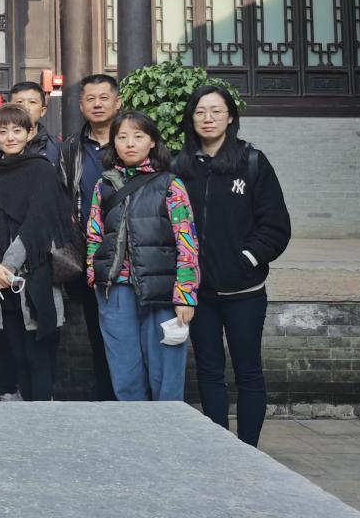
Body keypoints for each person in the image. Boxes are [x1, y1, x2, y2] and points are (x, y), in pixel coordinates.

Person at [175, 85, 290, 446]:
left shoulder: (252, 162)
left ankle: (248, 448)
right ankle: (220, 448)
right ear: (191, 119)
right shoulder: (180, 167)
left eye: (216, 111)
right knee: (209, 372)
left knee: (248, 372)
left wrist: (246, 260)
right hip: (201, 295)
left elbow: (275, 227)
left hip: (245, 292)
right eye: (200, 112)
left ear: (230, 117)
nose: (208, 118)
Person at [85, 111, 200, 401]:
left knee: (165, 376)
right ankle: (134, 428)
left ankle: (167, 428)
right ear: (114, 143)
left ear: (152, 142)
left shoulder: (170, 184)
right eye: (122, 137)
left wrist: (185, 294)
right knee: (125, 375)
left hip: (161, 293)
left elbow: (186, 241)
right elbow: (95, 234)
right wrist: (93, 274)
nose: (130, 143)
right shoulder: (104, 185)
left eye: (138, 136)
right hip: (115, 292)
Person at [0, 104, 71, 402]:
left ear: (30, 133)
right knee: (15, 353)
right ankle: (23, 413)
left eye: (18, 130)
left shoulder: (42, 171)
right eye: (3, 131)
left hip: (34, 275)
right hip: (1, 282)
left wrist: (8, 266)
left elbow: (37, 224)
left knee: (38, 354)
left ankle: (40, 413)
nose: (11, 137)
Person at [59, 73, 122, 401]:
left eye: (104, 98)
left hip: (130, 254)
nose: (97, 104)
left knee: (130, 333)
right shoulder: (71, 148)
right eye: (90, 99)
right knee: (98, 333)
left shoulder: (132, 140)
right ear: (81, 106)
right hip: (90, 255)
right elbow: (63, 196)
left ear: (117, 102)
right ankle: (108, 400)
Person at [8, 81, 60, 164]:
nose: (25, 107)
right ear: (9, 109)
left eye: (32, 102)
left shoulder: (57, 147)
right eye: (19, 102)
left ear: (42, 111)